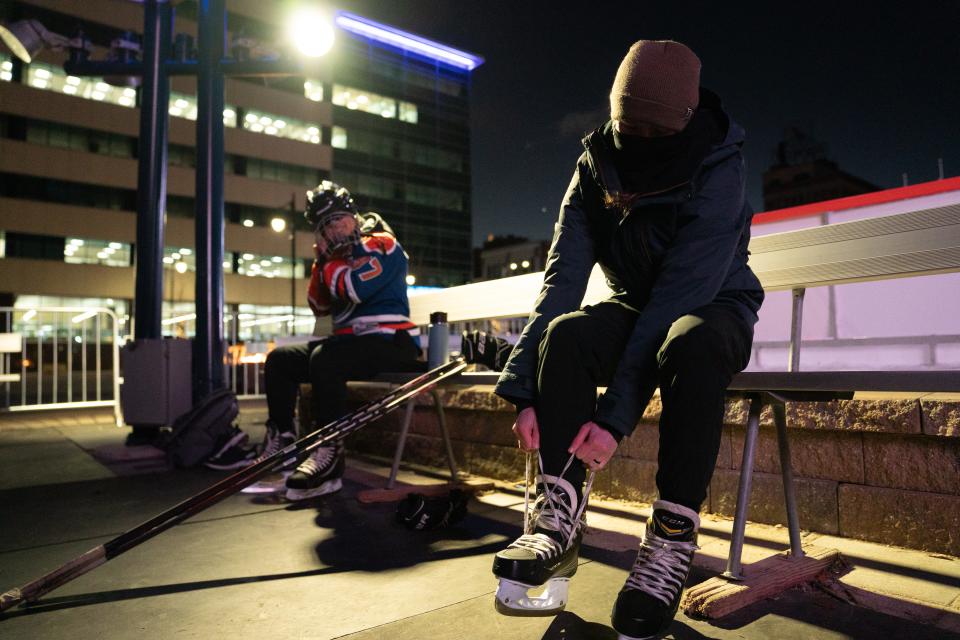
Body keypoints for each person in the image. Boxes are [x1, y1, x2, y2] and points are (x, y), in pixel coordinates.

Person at [490, 40, 764, 639]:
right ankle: (557, 519)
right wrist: (523, 388)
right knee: (567, 334)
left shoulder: (719, 167)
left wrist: (613, 422)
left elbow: (675, 303)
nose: (635, 140)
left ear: (683, 122)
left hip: (711, 308)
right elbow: (562, 278)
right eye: (625, 125)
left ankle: (669, 542)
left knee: (687, 345)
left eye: (651, 129)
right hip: (636, 305)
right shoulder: (595, 165)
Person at [205, 181, 421, 501]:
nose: (334, 229)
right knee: (281, 359)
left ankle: (329, 450)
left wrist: (329, 264)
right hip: (349, 345)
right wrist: (321, 264)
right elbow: (322, 312)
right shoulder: (330, 262)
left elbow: (354, 289)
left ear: (353, 216)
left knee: (325, 358)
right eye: (325, 226)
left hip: (392, 341)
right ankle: (284, 442)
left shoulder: (382, 244)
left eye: (338, 219)